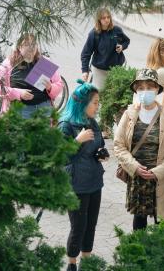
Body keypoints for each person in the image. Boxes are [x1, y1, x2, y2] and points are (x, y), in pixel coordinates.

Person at [114, 68, 164, 230]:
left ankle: (159, 254)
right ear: (136, 91)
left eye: (149, 87)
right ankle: (137, 253)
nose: (145, 91)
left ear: (157, 89)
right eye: (140, 88)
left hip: (160, 177)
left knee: (161, 222)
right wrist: (134, 167)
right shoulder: (129, 114)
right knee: (139, 220)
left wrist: (159, 171)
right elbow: (119, 145)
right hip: (137, 177)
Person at [58, 81, 108, 271]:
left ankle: (86, 261)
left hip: (94, 181)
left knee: (91, 224)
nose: (97, 106)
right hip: (76, 185)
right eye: (95, 102)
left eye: (98, 102)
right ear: (83, 103)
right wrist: (76, 141)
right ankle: (71, 262)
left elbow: (98, 144)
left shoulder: (92, 122)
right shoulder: (66, 125)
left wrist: (101, 153)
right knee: (78, 226)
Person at [0, 33, 63, 118]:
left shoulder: (44, 62)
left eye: (33, 44)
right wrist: (18, 93)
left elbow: (59, 84)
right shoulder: (9, 64)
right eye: (26, 44)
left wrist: (50, 87)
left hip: (44, 110)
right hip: (20, 111)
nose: (31, 48)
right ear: (19, 47)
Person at [80, 8, 130, 91]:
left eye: (108, 17)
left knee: (114, 93)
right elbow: (86, 53)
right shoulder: (94, 34)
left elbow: (126, 41)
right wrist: (85, 70)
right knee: (99, 93)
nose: (107, 20)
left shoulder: (116, 30)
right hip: (99, 69)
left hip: (116, 69)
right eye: (103, 18)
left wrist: (122, 47)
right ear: (99, 20)